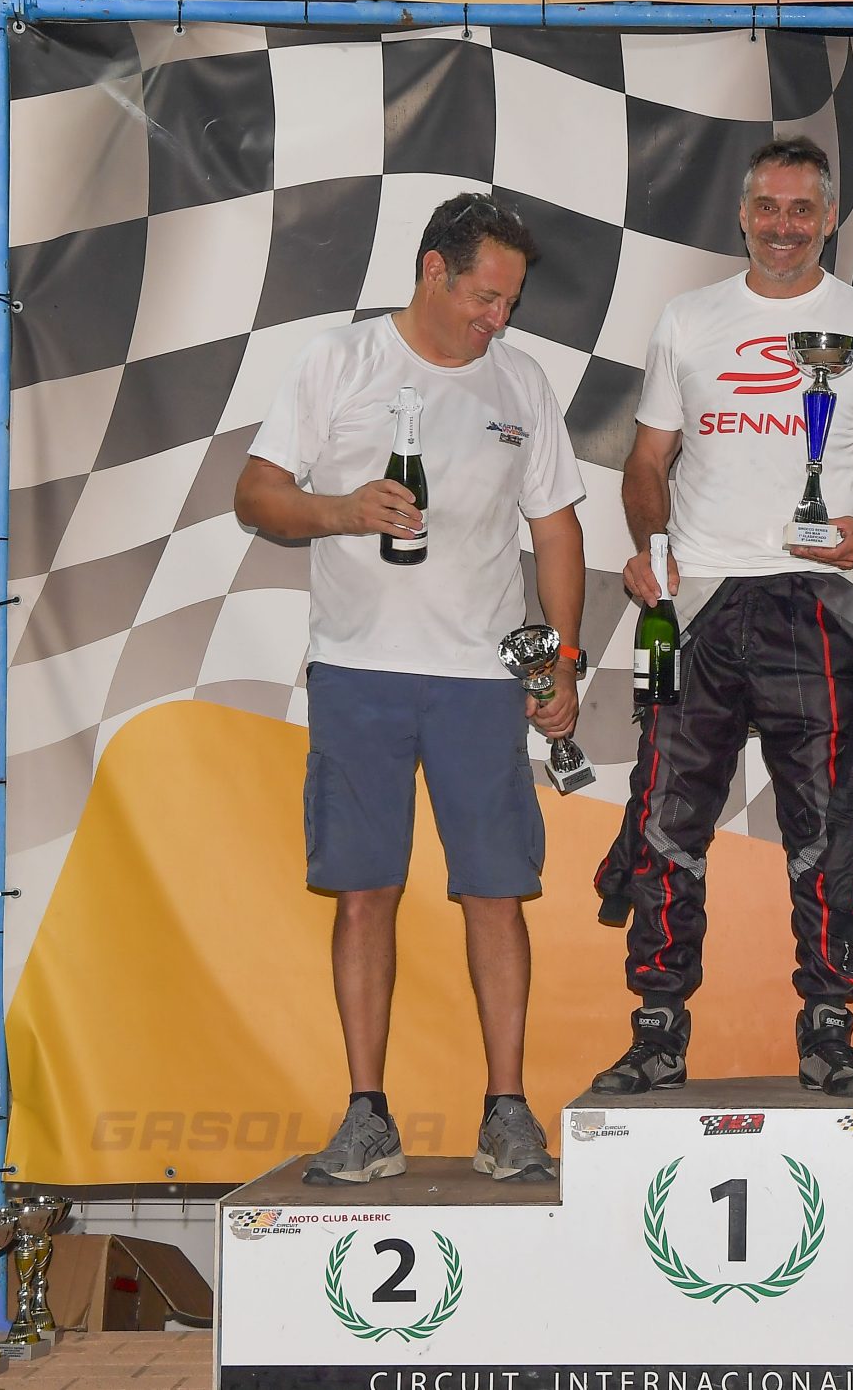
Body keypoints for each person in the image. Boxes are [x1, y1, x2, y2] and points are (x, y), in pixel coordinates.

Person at [235, 193, 586, 1183]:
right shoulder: (339, 361)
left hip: (482, 677)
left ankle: (508, 1112)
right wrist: (344, 510)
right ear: (434, 270)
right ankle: (367, 1114)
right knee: (363, 893)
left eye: (509, 302)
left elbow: (556, 528)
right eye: (484, 297)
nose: (497, 319)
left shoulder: (521, 381)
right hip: (359, 670)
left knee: (497, 893)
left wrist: (563, 659)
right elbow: (255, 495)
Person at [592, 135, 853, 1098]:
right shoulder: (688, 319)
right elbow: (646, 461)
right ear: (742, 215)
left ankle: (828, 1031)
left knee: (834, 823)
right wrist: (655, 549)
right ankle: (658, 1031)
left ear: (828, 220)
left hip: (814, 602)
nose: (784, 226)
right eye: (769, 207)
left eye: (802, 209)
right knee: (665, 818)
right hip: (695, 601)